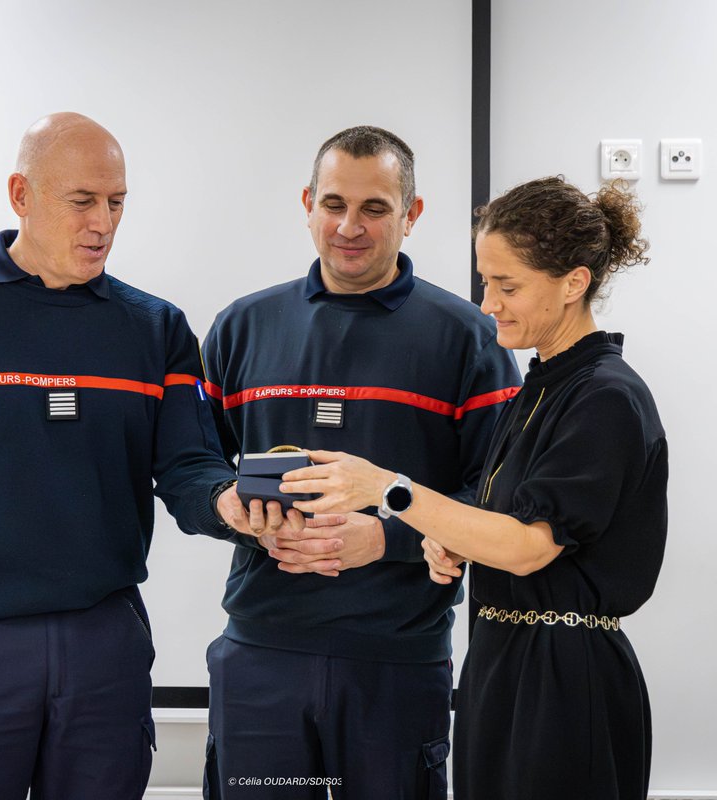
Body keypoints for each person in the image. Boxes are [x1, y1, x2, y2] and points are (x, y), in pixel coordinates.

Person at [0, 112, 297, 800]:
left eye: (116, 202)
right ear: (22, 194)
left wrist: (230, 503)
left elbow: (189, 466)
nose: (102, 222)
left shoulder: (155, 328)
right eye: (82, 201)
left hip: (103, 644)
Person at [279, 176, 667, 800]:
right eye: (487, 282)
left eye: (508, 286)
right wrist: (452, 539)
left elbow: (527, 547)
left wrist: (389, 489)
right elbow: (499, 528)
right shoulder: (539, 389)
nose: (489, 304)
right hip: (499, 660)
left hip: (565, 679)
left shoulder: (605, 397)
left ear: (574, 283)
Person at [200, 126, 522, 798]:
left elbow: (497, 499)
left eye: (375, 208)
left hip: (396, 662)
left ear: (412, 214)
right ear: (308, 202)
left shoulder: (468, 338)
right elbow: (192, 466)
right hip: (262, 655)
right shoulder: (242, 327)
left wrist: (384, 538)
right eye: (334, 203)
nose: (350, 226)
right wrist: (238, 511)